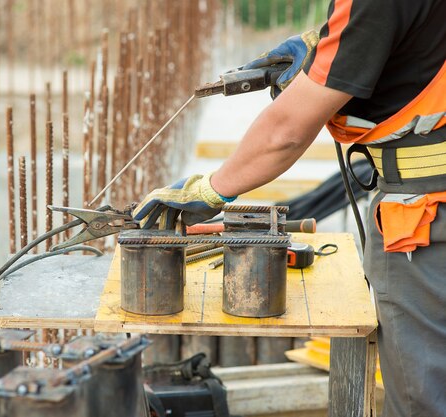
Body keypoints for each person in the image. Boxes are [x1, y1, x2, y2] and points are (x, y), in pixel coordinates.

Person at [132, 1, 446, 416]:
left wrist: (211, 191)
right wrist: (330, 44)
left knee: (422, 397)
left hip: (426, 218)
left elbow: (286, 132)